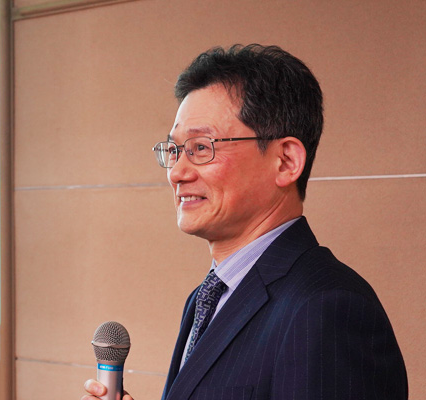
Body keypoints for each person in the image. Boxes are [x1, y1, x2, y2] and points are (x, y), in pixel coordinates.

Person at [82, 44, 408, 400]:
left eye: (201, 147)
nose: (176, 172)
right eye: (174, 150)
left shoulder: (327, 309)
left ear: (286, 161)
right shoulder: (208, 296)